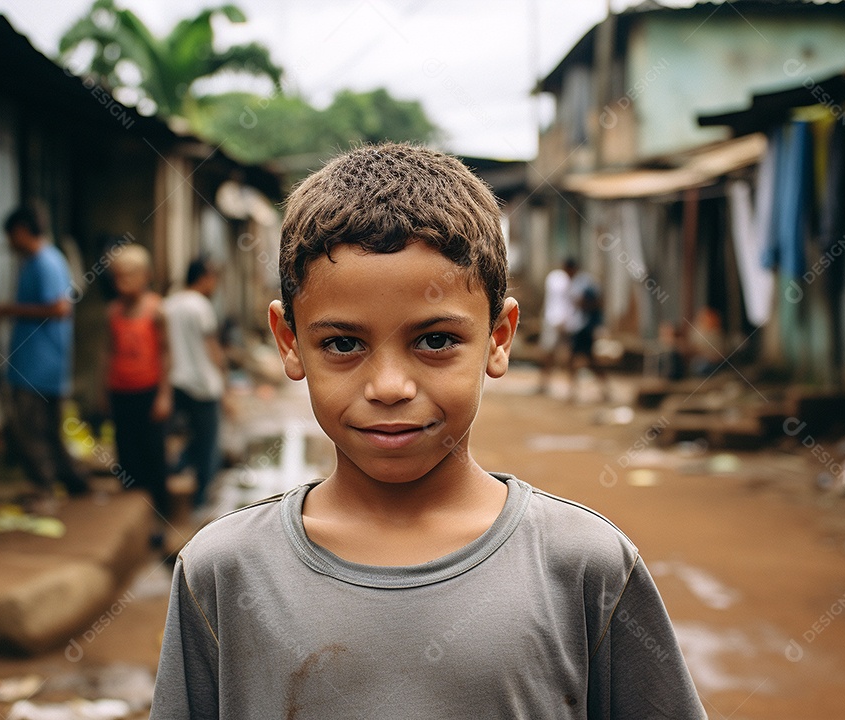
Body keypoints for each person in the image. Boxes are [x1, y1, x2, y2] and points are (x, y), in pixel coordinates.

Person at [151, 144, 704, 718]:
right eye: (343, 344)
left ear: (499, 337)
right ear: (290, 342)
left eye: (435, 341)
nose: (389, 386)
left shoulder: (585, 566)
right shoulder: (223, 571)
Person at [0, 205, 88, 501]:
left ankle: (44, 487)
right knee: (48, 431)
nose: (9, 243)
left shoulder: (45, 262)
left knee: (32, 431)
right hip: (41, 364)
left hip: (38, 366)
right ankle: (73, 481)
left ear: (21, 230)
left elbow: (59, 308)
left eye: (10, 235)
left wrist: (7, 310)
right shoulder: (40, 261)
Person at [103, 244, 173, 522]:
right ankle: (135, 518)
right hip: (121, 392)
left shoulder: (156, 310)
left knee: (153, 455)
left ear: (146, 276)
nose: (123, 283)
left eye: (129, 276)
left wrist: (164, 395)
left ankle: (161, 517)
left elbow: (166, 353)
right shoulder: (113, 312)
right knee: (126, 453)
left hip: (149, 391)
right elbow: (108, 352)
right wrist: (103, 390)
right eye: (118, 277)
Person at [163, 258, 225, 510]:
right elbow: (212, 348)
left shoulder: (169, 304)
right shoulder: (200, 306)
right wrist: (224, 379)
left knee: (181, 436)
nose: (215, 285)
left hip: (175, 382)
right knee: (208, 443)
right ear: (203, 278)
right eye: (213, 279)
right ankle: (201, 501)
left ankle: (174, 471)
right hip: (203, 385)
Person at [564, 259, 609, 402]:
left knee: (588, 361)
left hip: (585, 328)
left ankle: (603, 390)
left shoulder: (583, 283)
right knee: (580, 360)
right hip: (580, 327)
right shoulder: (578, 282)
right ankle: (574, 391)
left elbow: (594, 304)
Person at [537, 257, 575, 394]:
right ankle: (545, 383)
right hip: (556, 321)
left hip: (558, 321)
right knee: (550, 353)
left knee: (557, 354)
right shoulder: (562, 280)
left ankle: (546, 384)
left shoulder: (555, 278)